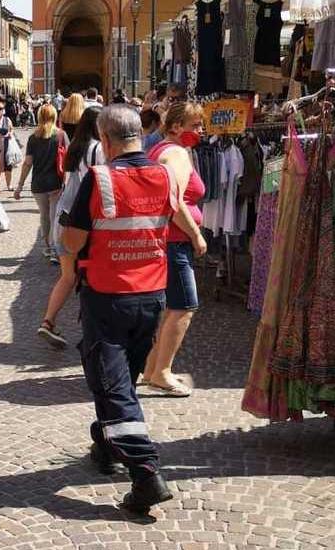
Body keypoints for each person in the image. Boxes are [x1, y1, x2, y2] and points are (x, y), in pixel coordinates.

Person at [59, 104, 177, 514]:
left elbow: (72, 242)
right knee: (120, 376)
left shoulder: (100, 178)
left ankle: (145, 473)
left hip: (107, 295)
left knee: (114, 385)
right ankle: (105, 444)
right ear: (141, 136)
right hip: (153, 295)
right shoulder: (164, 174)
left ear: (105, 141)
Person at [141, 101, 208, 397]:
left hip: (165, 240)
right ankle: (162, 373)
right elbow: (174, 200)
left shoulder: (158, 150)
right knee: (184, 307)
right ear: (177, 126)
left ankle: (152, 368)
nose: (201, 131)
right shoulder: (177, 153)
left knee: (172, 308)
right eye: (195, 125)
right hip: (175, 241)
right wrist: (196, 236)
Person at [38, 106, 104, 348]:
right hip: (83, 222)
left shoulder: (76, 147)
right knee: (91, 276)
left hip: (64, 216)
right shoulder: (97, 149)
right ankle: (94, 330)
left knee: (68, 276)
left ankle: (48, 321)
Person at [15, 104, 68, 263]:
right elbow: (68, 159)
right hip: (56, 183)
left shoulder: (33, 137)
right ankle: (53, 249)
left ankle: (47, 246)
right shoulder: (61, 135)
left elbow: (27, 163)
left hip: (38, 184)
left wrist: (19, 186)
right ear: (54, 116)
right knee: (54, 217)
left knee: (44, 216)